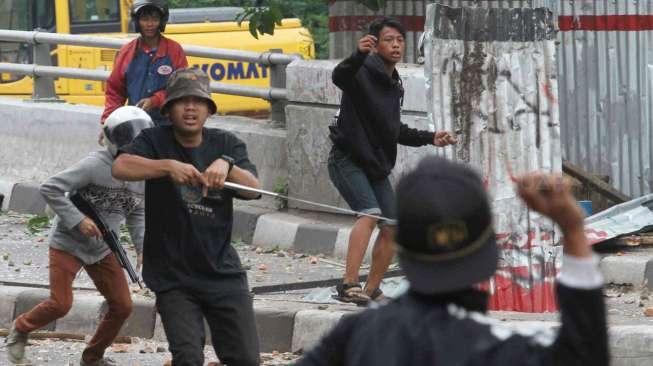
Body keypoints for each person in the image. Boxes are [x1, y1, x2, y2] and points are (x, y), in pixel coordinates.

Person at [296, 156, 608, 366]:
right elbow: (584, 353)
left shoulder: (356, 335)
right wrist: (572, 230)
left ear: (398, 245)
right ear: (487, 248)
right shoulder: (498, 347)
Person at [111, 68, 261, 366]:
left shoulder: (226, 144)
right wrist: (167, 166)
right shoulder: (154, 140)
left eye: (198, 102)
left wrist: (227, 166)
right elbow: (121, 166)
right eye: (182, 101)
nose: (190, 108)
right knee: (188, 357)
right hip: (172, 275)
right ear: (169, 108)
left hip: (222, 272)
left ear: (208, 109)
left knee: (245, 359)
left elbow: (254, 191)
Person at [5, 106, 153, 366]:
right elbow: (51, 188)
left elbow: (137, 213)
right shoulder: (94, 165)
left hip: (103, 247)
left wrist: (143, 248)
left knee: (123, 305)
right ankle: (21, 328)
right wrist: (78, 219)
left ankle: (92, 357)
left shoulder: (142, 175)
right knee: (60, 304)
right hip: (68, 243)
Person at [328, 16, 457, 305]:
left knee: (393, 225)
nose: (396, 45)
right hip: (347, 159)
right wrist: (358, 54)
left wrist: (431, 137)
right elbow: (340, 76)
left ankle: (371, 289)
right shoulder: (361, 71)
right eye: (389, 40)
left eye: (400, 40)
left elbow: (394, 130)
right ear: (375, 45)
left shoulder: (394, 83)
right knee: (370, 212)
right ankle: (349, 284)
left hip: (375, 164)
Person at [101, 0, 187, 128]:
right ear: (137, 22)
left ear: (161, 21)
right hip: (136, 125)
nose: (150, 24)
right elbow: (115, 92)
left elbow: (183, 86)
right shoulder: (126, 52)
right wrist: (107, 124)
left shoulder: (174, 50)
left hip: (169, 124)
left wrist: (155, 100)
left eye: (155, 19)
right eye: (145, 19)